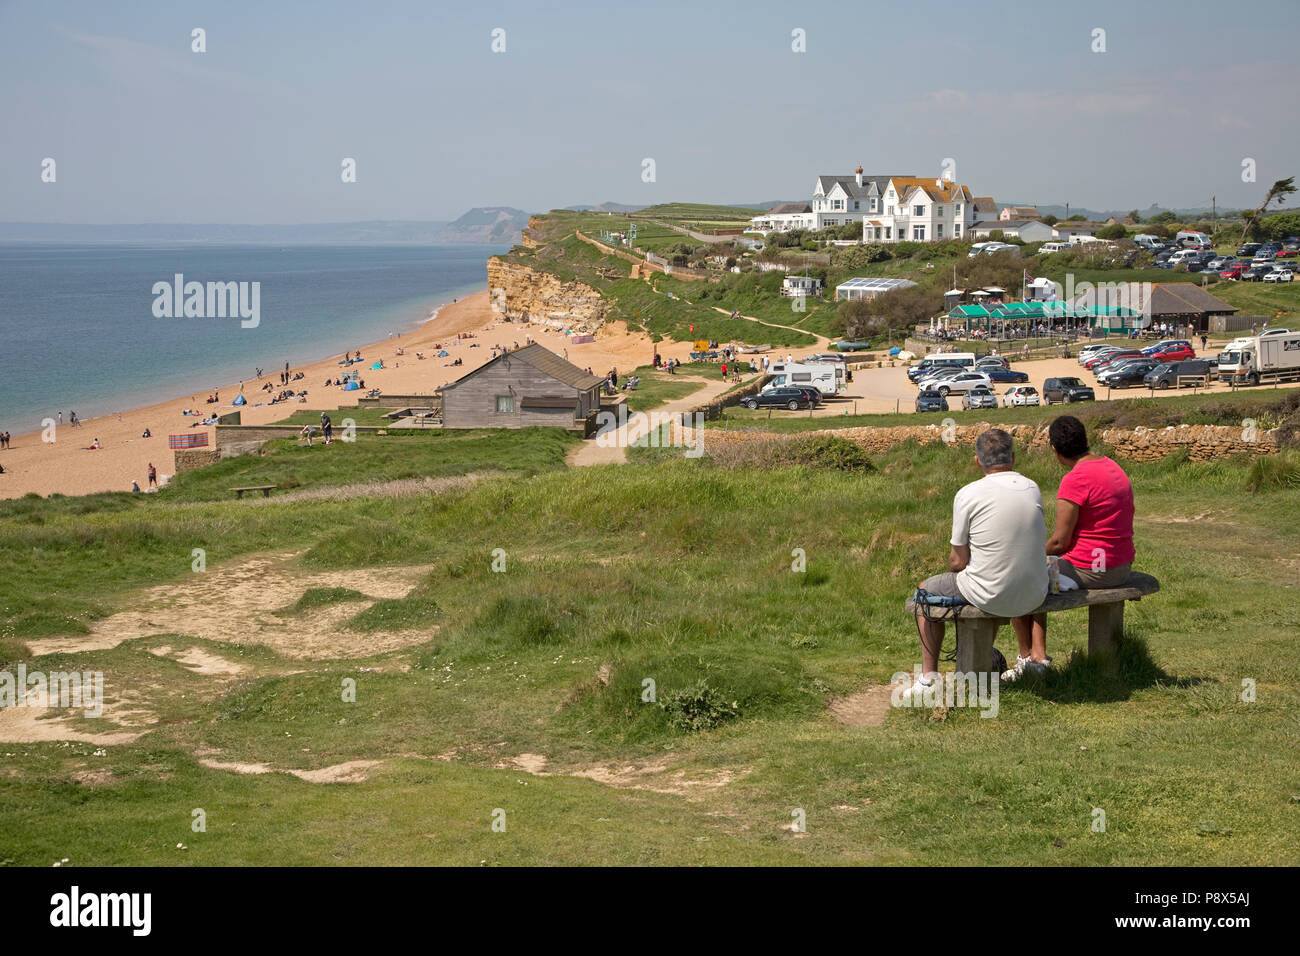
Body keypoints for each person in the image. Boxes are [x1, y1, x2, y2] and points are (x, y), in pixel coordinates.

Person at [904, 429, 1048, 702]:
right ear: (1013, 458)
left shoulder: (968, 493)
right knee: (991, 580)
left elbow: (957, 561)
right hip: (1034, 593)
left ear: (978, 462)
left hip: (993, 593)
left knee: (924, 592)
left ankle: (929, 678)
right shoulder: (1032, 487)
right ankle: (999, 658)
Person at [1007, 416, 1136, 681]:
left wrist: (1027, 556)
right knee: (1041, 570)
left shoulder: (1075, 480)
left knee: (1021, 576)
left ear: (1055, 449)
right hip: (1121, 566)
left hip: (1094, 571)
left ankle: (1031, 659)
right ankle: (1037, 656)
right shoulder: (1112, 466)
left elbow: (1060, 543)